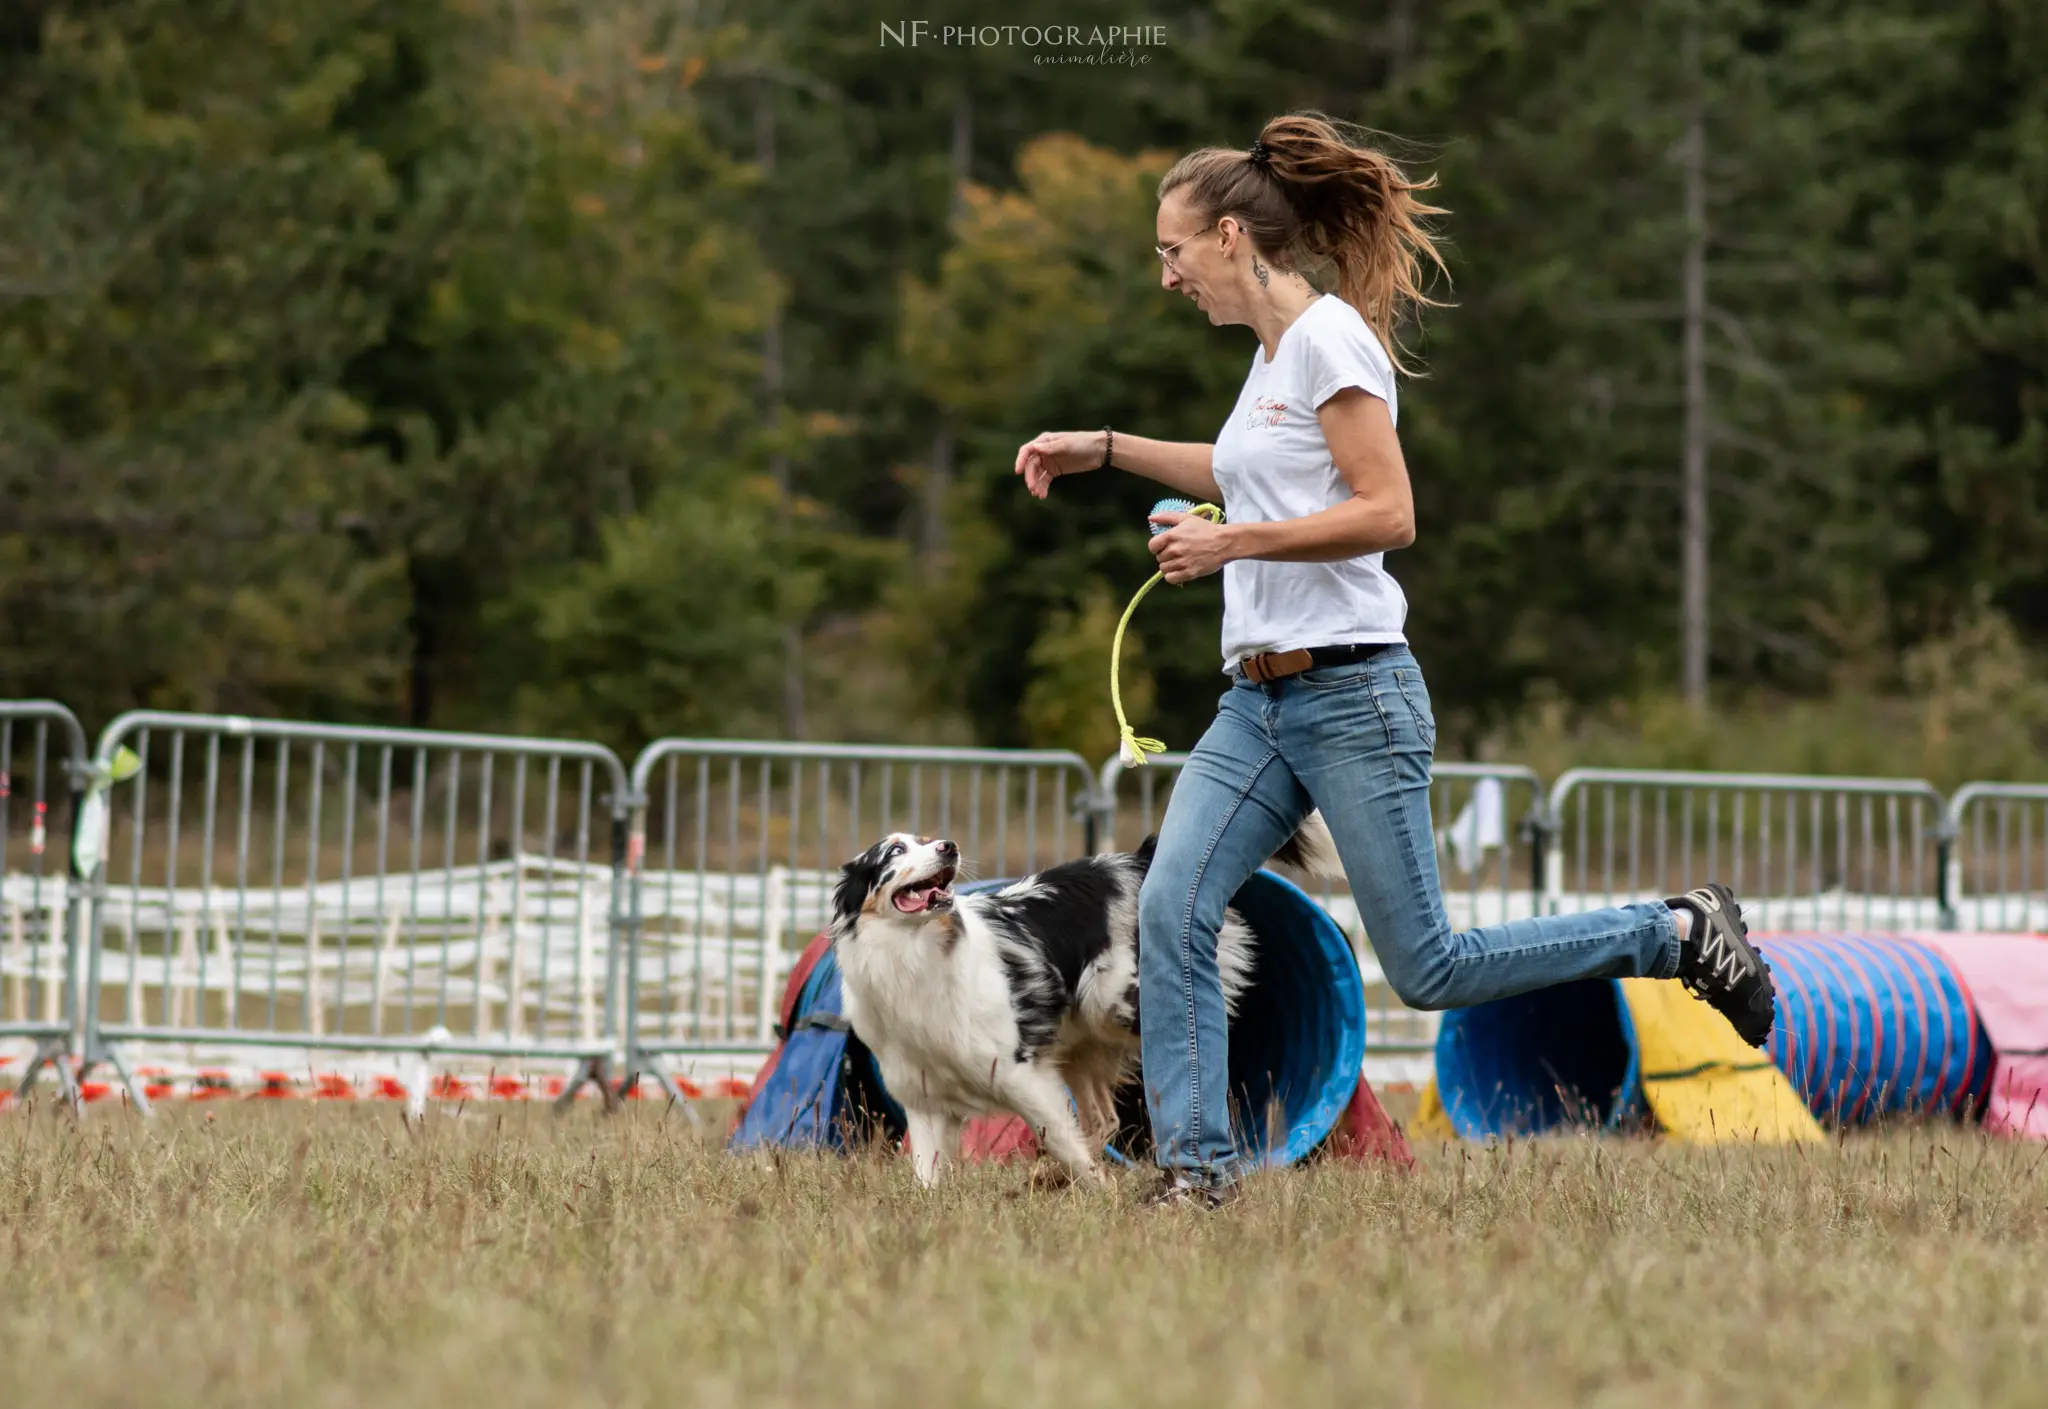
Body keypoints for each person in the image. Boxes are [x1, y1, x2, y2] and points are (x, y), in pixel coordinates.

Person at [1011, 112, 1776, 1209]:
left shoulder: (1330, 339)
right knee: (1171, 908)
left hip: (1353, 694)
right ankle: (1193, 1168)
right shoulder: (1271, 357)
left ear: (1229, 236)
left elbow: (1387, 511)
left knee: (1429, 968)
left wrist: (1230, 541)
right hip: (1254, 702)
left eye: (1170, 249)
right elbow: (1242, 468)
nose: (1165, 273)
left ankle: (1674, 932)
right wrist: (1107, 448)